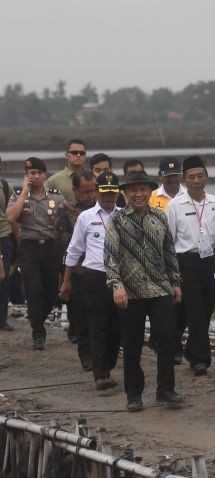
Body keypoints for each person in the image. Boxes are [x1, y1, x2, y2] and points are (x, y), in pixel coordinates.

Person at [104, 170, 183, 412]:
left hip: (160, 289)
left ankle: (165, 390)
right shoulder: (116, 220)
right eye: (133, 190)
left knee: (168, 338)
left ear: (150, 192)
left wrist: (175, 282)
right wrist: (116, 286)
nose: (139, 194)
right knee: (132, 344)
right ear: (125, 193)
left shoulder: (159, 217)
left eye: (143, 190)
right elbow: (110, 257)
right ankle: (134, 393)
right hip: (131, 292)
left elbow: (169, 252)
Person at [62, 172, 122, 390]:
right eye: (104, 193)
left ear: (118, 193)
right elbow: (74, 250)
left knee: (117, 327)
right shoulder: (86, 218)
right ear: (97, 192)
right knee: (98, 325)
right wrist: (66, 281)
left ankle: (107, 363)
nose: (108, 198)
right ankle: (101, 375)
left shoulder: (125, 216)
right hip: (94, 277)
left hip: (119, 279)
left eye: (112, 193)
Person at [166, 156, 215, 375]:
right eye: (191, 177)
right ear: (184, 179)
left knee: (207, 307)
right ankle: (201, 359)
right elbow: (169, 241)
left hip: (210, 260)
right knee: (195, 309)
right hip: (185, 262)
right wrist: (171, 273)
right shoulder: (175, 205)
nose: (196, 181)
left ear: (206, 177)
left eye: (200, 176)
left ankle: (182, 347)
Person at [6, 158, 65, 350]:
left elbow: (66, 225)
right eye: (32, 173)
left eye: (39, 173)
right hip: (28, 247)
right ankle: (38, 332)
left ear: (45, 175)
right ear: (26, 175)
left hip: (50, 247)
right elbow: (11, 218)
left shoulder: (56, 197)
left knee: (50, 293)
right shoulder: (18, 196)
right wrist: (24, 192)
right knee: (33, 289)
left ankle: (38, 318)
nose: (36, 176)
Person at [56, 170, 98, 368]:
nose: (91, 196)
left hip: (101, 271)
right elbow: (63, 244)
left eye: (94, 191)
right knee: (81, 315)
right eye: (86, 192)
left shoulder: (104, 208)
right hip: (77, 271)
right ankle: (86, 354)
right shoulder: (66, 210)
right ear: (75, 190)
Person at [149, 157, 187, 362]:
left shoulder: (188, 195)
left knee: (183, 304)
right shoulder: (151, 197)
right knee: (166, 303)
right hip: (158, 257)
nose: (172, 179)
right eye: (168, 175)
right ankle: (172, 347)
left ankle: (168, 341)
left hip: (183, 255)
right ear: (160, 175)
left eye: (175, 175)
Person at [0, 155, 14, 332]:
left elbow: (12, 215)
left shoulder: (5, 187)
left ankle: (1, 319)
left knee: (4, 279)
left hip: (3, 236)